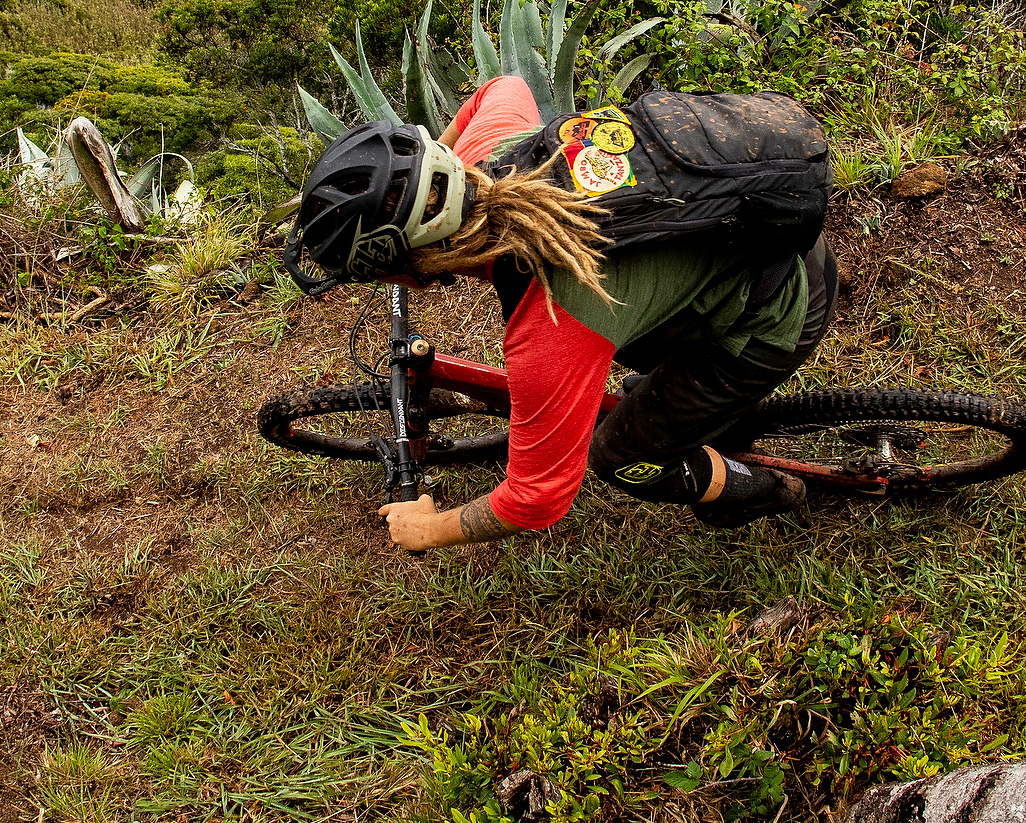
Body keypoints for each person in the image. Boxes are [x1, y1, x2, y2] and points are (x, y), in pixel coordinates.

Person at [285, 74, 837, 551]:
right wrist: (437, 171)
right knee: (632, 357)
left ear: (409, 264)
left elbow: (536, 498)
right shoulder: (493, 154)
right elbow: (500, 90)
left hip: (776, 309)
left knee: (622, 458)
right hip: (742, 233)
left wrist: (427, 528)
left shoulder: (553, 325)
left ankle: (760, 490)